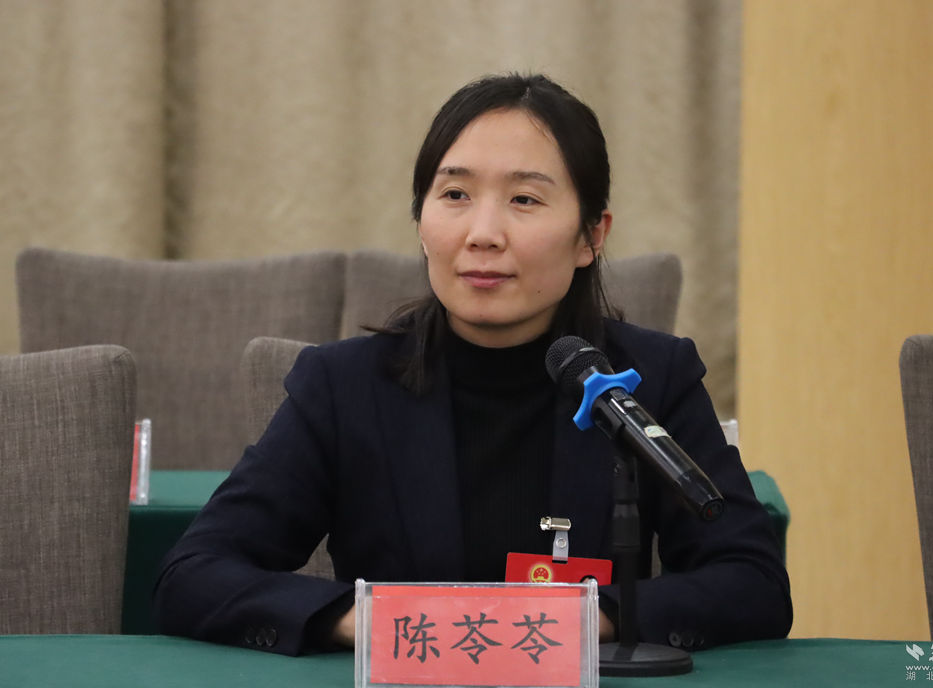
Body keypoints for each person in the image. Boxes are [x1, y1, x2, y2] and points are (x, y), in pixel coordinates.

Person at [152, 73, 792, 656]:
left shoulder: (649, 379)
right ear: (421, 221)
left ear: (591, 236)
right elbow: (193, 575)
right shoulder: (344, 387)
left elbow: (752, 581)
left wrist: (585, 620)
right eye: (455, 193)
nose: (483, 233)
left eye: (525, 200)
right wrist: (372, 620)